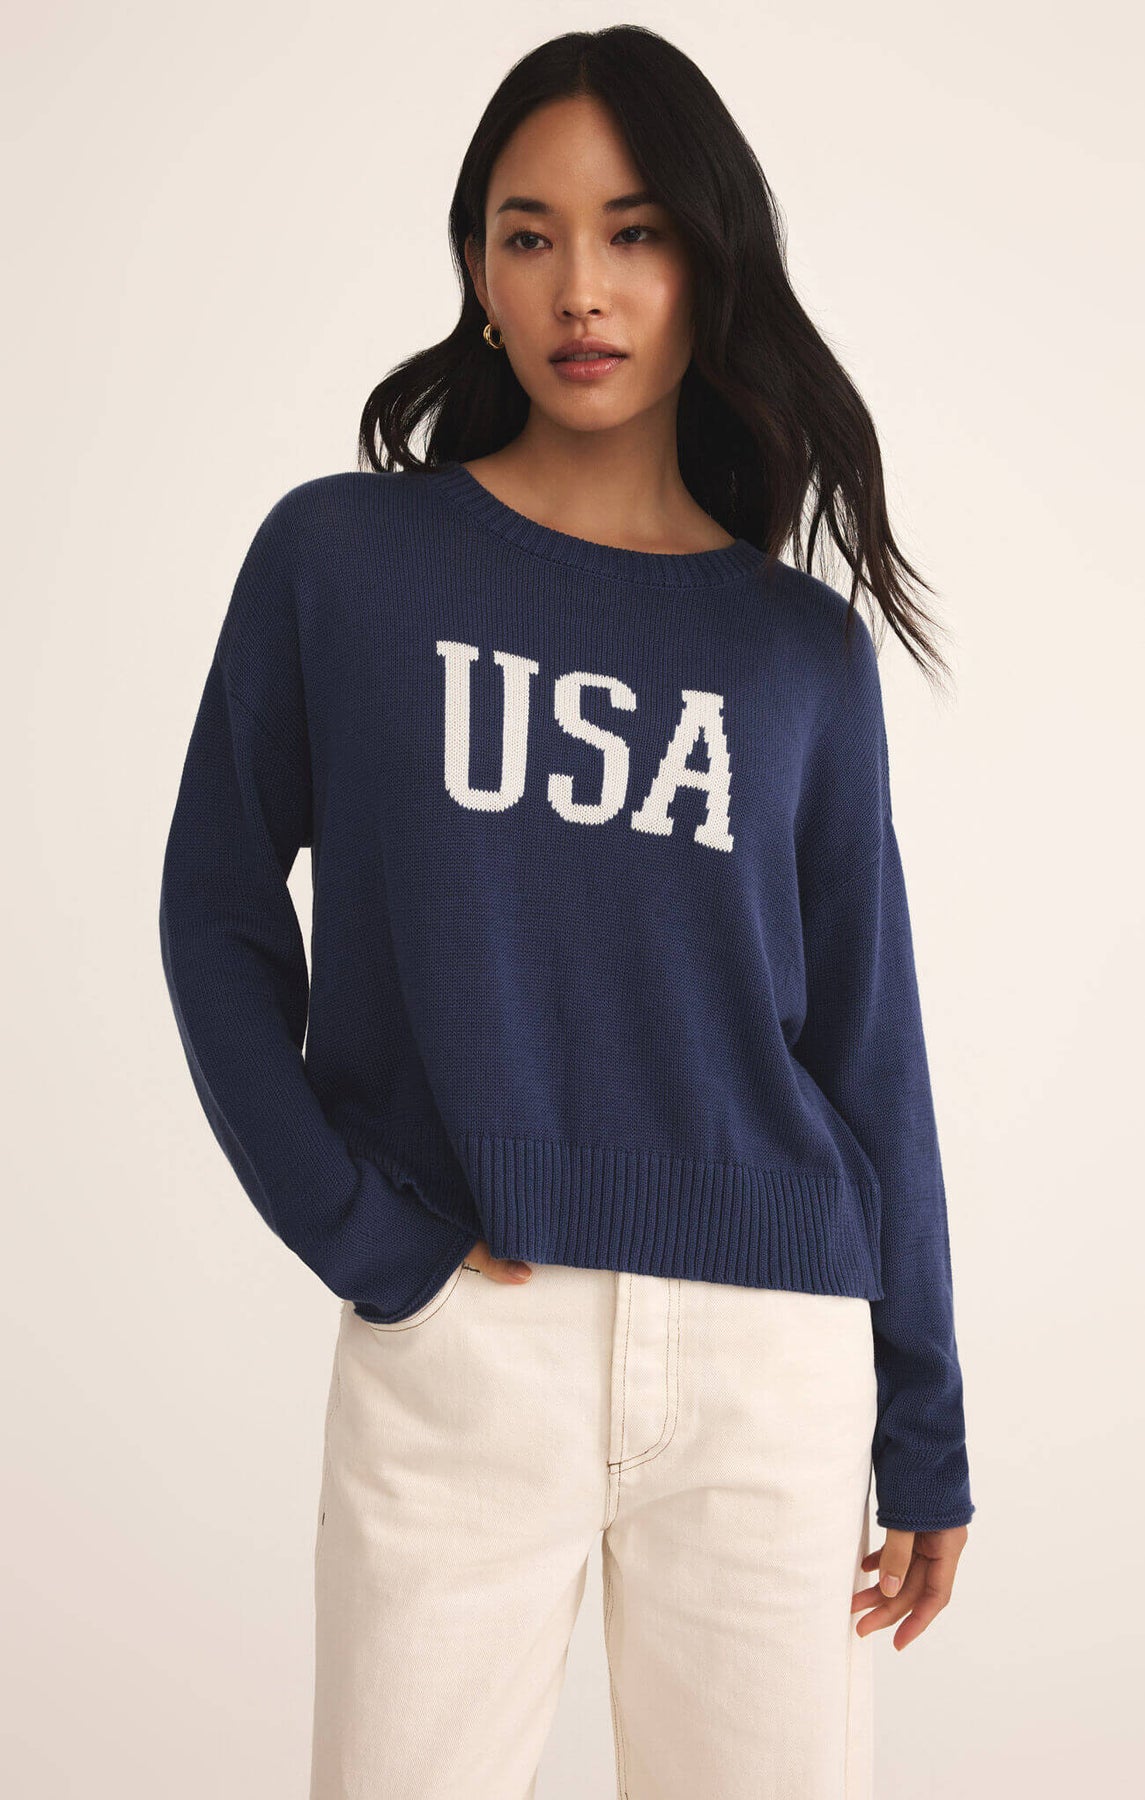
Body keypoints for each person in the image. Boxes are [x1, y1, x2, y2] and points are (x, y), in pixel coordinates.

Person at [158, 23, 974, 1800]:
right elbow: (214, 909)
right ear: (476, 267)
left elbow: (867, 1038)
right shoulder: (344, 561)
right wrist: (358, 1234)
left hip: (771, 1356)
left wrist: (924, 1422)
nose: (579, 289)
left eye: (634, 232)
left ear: (705, 262)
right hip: (465, 1334)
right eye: (527, 235)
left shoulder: (797, 652)